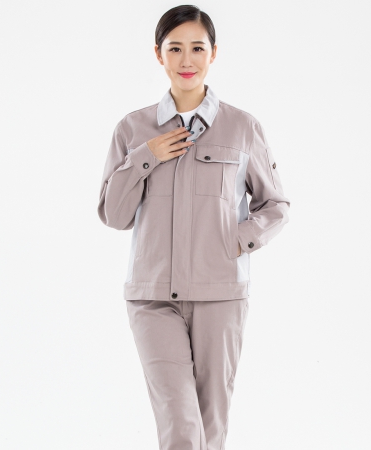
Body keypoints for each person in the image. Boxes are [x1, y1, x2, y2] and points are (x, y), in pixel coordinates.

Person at [97, 5, 290, 449]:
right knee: (182, 427)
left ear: (213, 53)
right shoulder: (133, 128)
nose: (187, 60)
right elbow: (114, 215)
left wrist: (235, 240)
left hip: (220, 295)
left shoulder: (242, 127)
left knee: (211, 426)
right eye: (175, 49)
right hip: (152, 298)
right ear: (158, 54)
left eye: (198, 48)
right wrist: (145, 156)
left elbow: (275, 204)